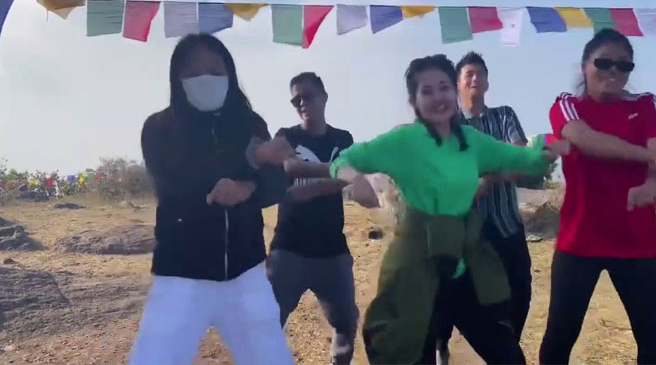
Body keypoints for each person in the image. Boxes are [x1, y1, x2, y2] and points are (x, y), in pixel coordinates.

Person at [328, 54, 567, 365]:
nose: (438, 97)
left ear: (454, 91)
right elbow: (343, 160)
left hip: (464, 267)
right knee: (415, 357)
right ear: (414, 100)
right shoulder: (404, 140)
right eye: (426, 91)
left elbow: (522, 158)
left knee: (508, 356)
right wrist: (354, 179)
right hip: (417, 270)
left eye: (443, 87)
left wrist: (549, 149)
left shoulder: (471, 141)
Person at [128, 34, 296, 365]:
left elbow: (276, 183)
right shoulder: (158, 128)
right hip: (180, 274)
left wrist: (250, 186)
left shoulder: (250, 122)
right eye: (193, 71)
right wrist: (253, 160)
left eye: (215, 70)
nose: (205, 78)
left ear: (230, 74)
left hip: (247, 272)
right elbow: (179, 184)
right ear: (177, 78)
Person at [539, 28, 656, 364]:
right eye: (603, 62)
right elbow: (584, 139)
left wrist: (652, 182)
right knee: (558, 341)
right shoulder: (568, 105)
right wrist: (651, 159)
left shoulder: (646, 104)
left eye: (624, 65)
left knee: (653, 345)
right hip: (579, 240)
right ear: (584, 66)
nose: (614, 71)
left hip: (636, 242)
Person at [431, 52, 533, 364]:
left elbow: (520, 162)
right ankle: (441, 344)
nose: (475, 79)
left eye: (480, 74)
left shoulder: (504, 116)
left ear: (487, 82)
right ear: (458, 84)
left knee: (519, 295)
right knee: (452, 295)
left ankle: (505, 351)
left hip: (506, 226)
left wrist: (487, 178)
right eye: (469, 75)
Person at [266, 72, 359, 365]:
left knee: (346, 323)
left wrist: (313, 186)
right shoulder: (286, 135)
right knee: (267, 322)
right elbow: (290, 166)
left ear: (324, 97)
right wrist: (335, 170)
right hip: (288, 248)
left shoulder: (343, 138)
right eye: (296, 99)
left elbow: (350, 177)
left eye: (308, 96)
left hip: (332, 249)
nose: (302, 103)